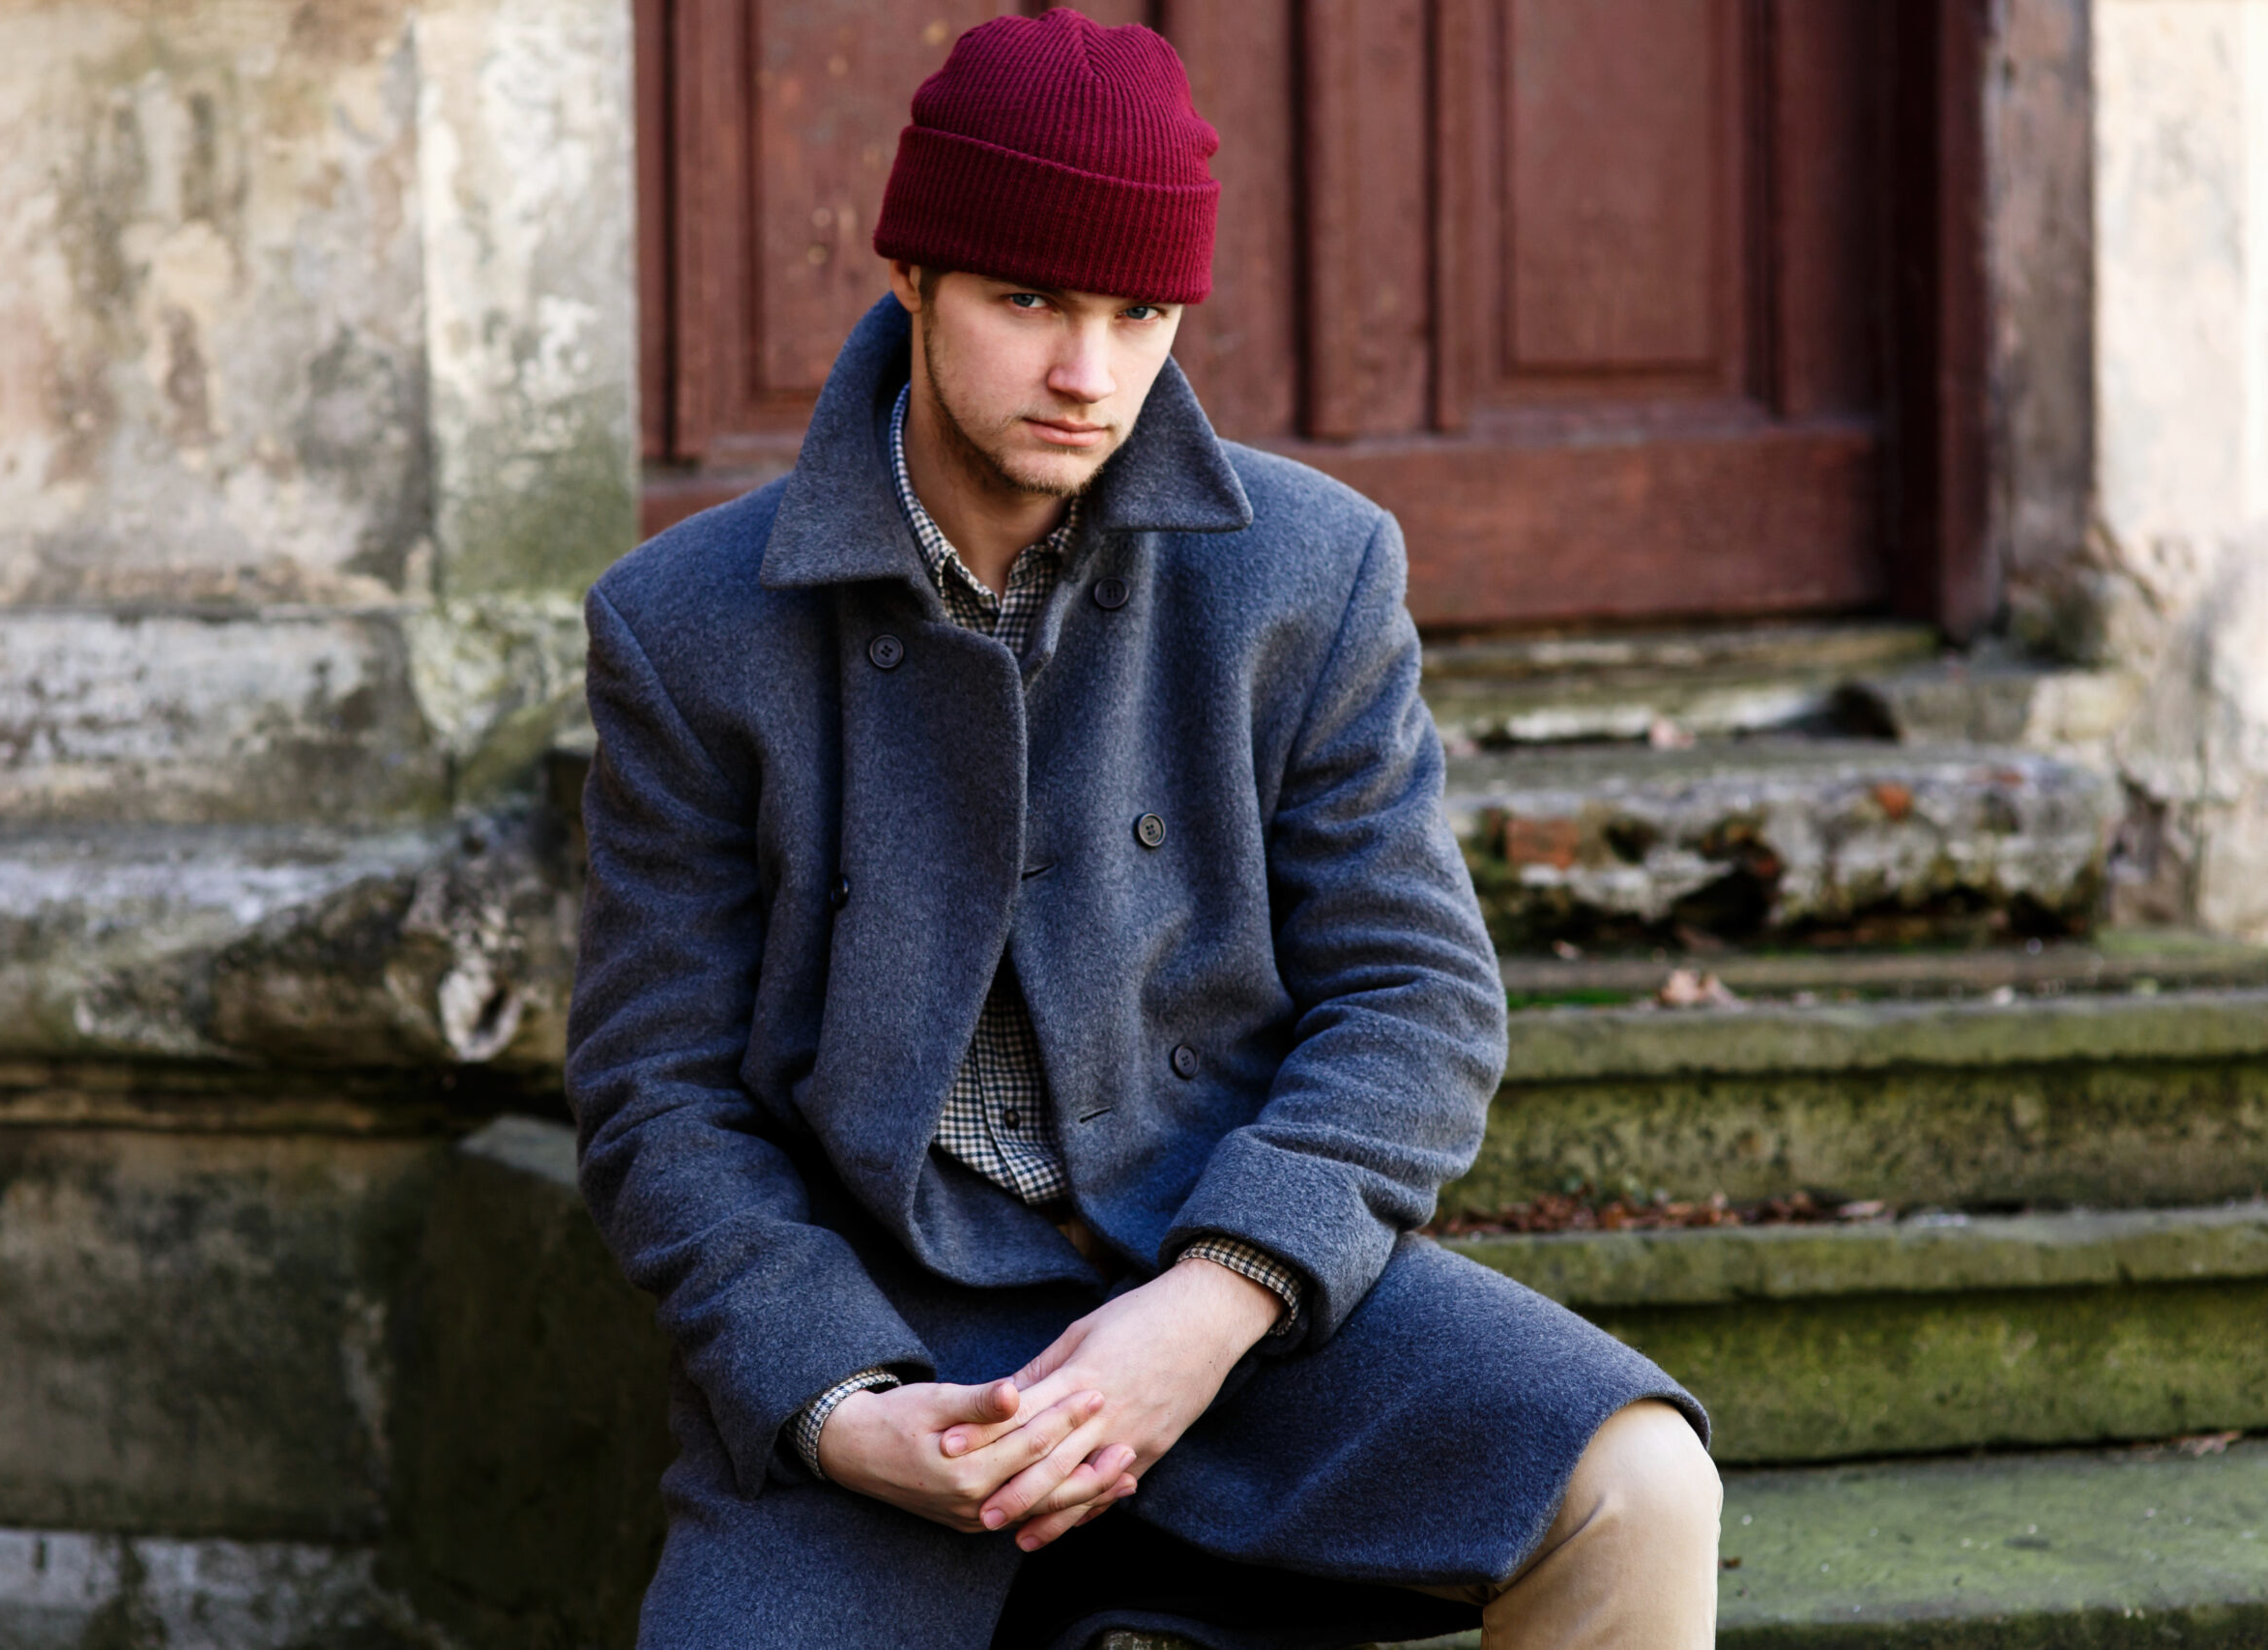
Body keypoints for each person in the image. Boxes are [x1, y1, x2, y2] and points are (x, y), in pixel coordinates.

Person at [567, 11, 1721, 1647]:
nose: (1085, 373)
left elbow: (1418, 998)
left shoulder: (1308, 575)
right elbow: (655, 1096)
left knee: (1641, 1484)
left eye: (1139, 311)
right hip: (894, 1342)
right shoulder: (688, 630)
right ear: (912, 279)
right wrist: (838, 1406)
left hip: (1240, 1300)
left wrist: (1216, 1298)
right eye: (1028, 299)